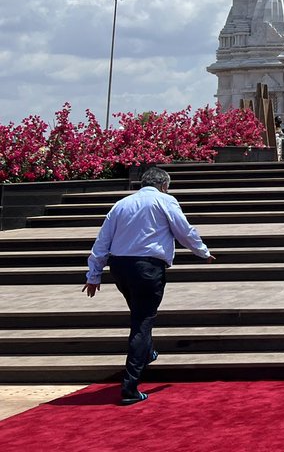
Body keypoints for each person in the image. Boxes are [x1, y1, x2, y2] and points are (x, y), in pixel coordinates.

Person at [82, 167, 215, 405]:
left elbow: (103, 239)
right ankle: (130, 386)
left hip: (120, 267)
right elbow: (183, 230)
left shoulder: (121, 204)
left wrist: (94, 274)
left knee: (139, 314)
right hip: (147, 268)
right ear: (164, 185)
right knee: (142, 322)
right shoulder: (165, 200)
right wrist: (202, 252)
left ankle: (148, 352)